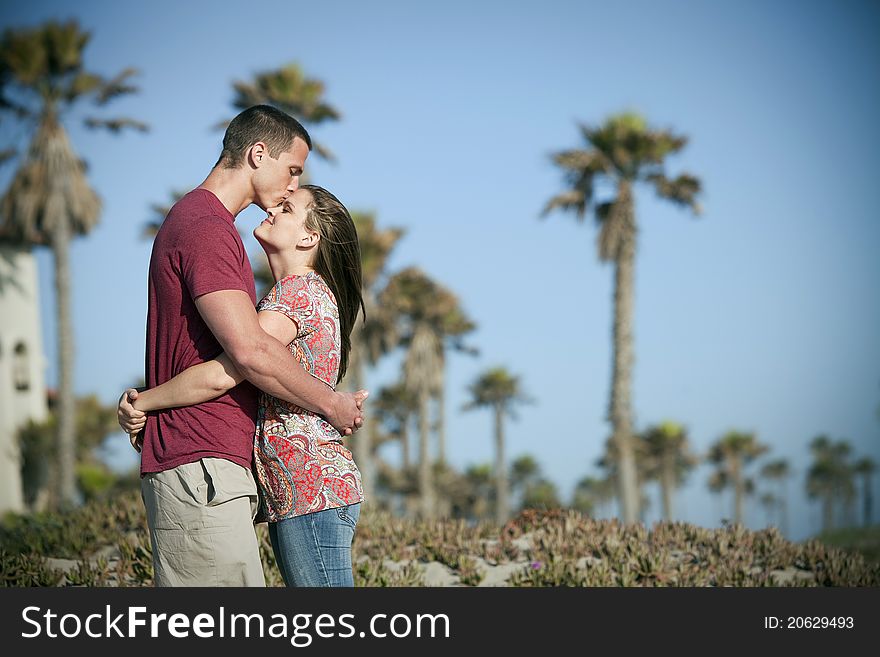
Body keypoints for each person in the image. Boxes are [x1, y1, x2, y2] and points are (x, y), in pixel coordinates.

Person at [118, 105, 366, 587]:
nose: (292, 186)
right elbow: (248, 354)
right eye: (293, 171)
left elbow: (243, 358)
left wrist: (144, 400)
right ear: (258, 154)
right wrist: (332, 403)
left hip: (234, 473)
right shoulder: (208, 227)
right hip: (203, 462)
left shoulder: (275, 275)